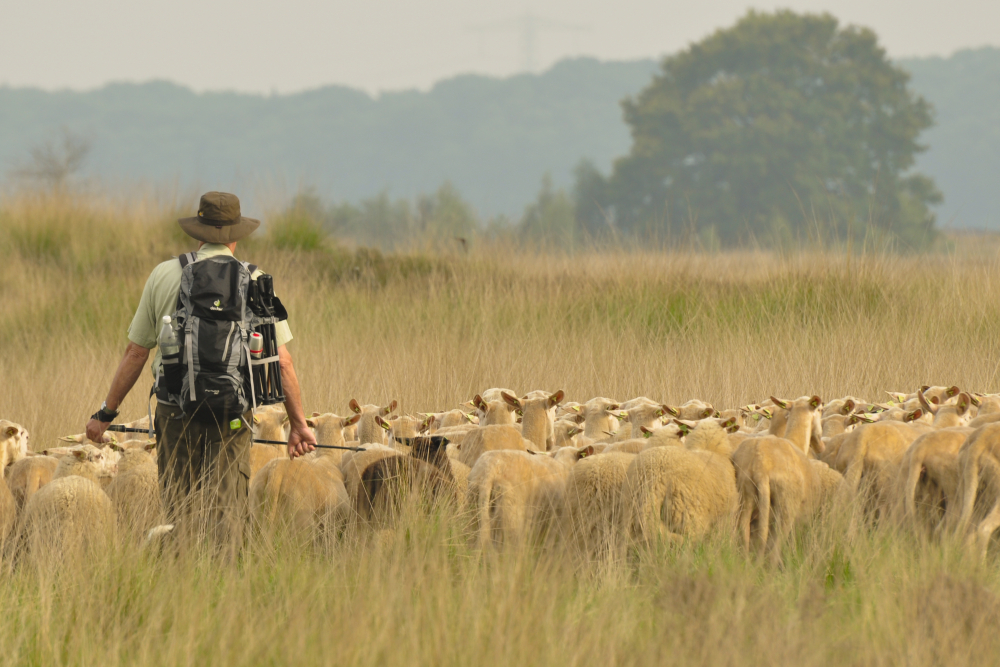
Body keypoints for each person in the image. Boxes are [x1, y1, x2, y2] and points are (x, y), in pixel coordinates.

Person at [85, 191, 316, 544]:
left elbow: (136, 352)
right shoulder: (256, 280)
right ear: (236, 236)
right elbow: (283, 362)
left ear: (198, 231)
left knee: (181, 509)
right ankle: (223, 587)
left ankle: (182, 585)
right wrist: (298, 424)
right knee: (227, 513)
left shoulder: (164, 274)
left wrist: (106, 413)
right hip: (233, 414)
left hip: (175, 412)